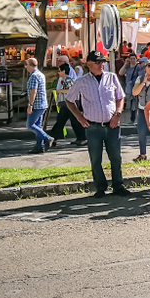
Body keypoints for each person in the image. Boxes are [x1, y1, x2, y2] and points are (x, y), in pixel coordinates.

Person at [65, 50, 129, 197]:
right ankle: (100, 187)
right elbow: (69, 100)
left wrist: (118, 114)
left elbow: (120, 97)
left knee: (116, 157)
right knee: (95, 159)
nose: (101, 64)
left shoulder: (111, 77)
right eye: (98, 62)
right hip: (93, 127)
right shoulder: (81, 81)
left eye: (103, 62)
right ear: (89, 64)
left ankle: (118, 186)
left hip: (112, 125)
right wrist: (79, 117)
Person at [131, 58, 150, 162]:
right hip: (142, 108)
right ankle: (142, 154)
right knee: (141, 131)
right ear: (145, 68)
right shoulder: (140, 78)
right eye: (149, 66)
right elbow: (135, 92)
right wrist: (144, 82)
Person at [50, 63, 85, 145]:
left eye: (59, 71)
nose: (58, 73)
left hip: (70, 103)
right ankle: (54, 137)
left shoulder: (68, 80)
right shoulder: (64, 80)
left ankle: (52, 137)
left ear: (64, 71)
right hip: (66, 104)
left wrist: (60, 91)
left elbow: (71, 90)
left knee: (69, 121)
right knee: (63, 121)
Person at [25, 57, 54, 153]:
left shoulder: (34, 76)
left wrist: (30, 105)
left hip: (36, 105)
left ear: (30, 65)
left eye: (26, 65)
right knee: (38, 125)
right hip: (42, 103)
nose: (26, 67)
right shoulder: (40, 74)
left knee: (30, 125)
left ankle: (48, 138)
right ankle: (39, 146)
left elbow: (33, 91)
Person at [120, 55, 146, 126]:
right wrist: (125, 64)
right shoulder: (128, 67)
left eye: (134, 59)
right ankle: (131, 119)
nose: (132, 60)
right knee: (130, 105)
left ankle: (135, 120)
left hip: (136, 88)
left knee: (135, 105)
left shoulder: (138, 67)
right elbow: (120, 73)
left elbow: (141, 75)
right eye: (131, 59)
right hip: (128, 89)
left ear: (136, 59)